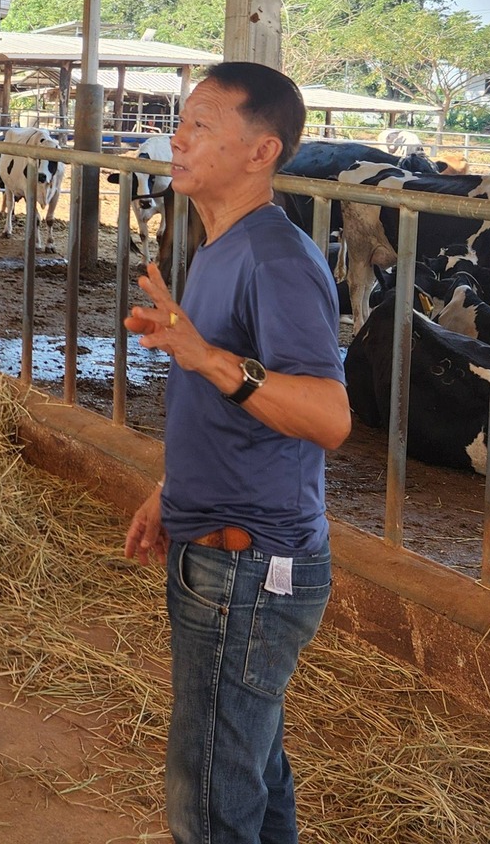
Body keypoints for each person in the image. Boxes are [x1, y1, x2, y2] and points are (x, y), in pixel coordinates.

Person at [121, 61, 352, 844]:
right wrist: (173, 489)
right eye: (181, 123)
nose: (178, 139)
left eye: (201, 126)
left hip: (250, 572)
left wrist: (206, 356)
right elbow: (222, 404)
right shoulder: (219, 245)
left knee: (211, 795)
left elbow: (329, 418)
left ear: (262, 151)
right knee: (247, 765)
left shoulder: (275, 259)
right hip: (222, 555)